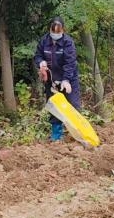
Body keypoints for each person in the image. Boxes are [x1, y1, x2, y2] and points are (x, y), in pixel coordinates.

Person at [34, 15, 80, 143]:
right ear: (50, 29)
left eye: (58, 32)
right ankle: (56, 135)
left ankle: (77, 135)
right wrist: (41, 62)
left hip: (68, 79)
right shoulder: (44, 41)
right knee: (54, 107)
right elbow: (37, 55)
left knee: (74, 105)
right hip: (52, 80)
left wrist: (66, 80)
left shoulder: (68, 43)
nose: (55, 34)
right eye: (53, 32)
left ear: (63, 30)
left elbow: (70, 63)